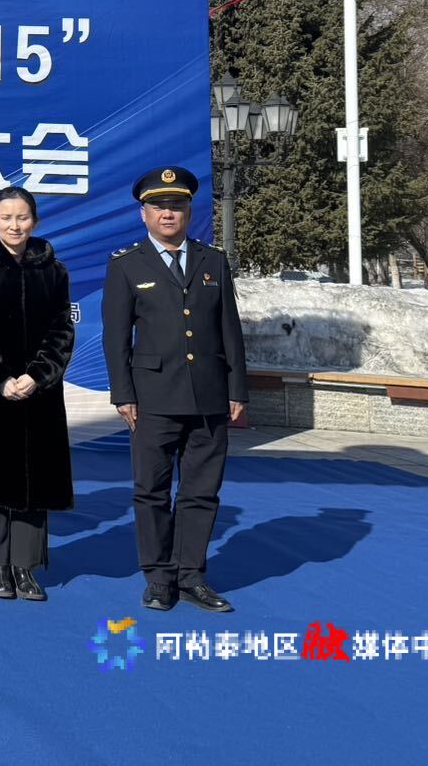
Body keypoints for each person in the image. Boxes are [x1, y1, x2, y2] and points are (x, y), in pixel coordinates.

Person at [102, 166, 247, 614]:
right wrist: (123, 394)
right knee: (152, 490)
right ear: (144, 213)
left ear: (189, 211)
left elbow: (229, 330)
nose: (168, 213)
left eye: (177, 205)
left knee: (201, 491)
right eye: (159, 206)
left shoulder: (213, 261)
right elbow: (115, 337)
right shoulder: (126, 264)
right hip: (153, 398)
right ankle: (159, 578)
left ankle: (191, 575)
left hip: (208, 396)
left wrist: (236, 389)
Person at [0, 186, 75, 602]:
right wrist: (1, 378)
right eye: (6, 217)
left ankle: (25, 565)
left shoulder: (54, 271)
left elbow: (62, 330)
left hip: (40, 393)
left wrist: (37, 376)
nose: (14, 225)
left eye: (22, 217)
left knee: (35, 481)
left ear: (35, 221)